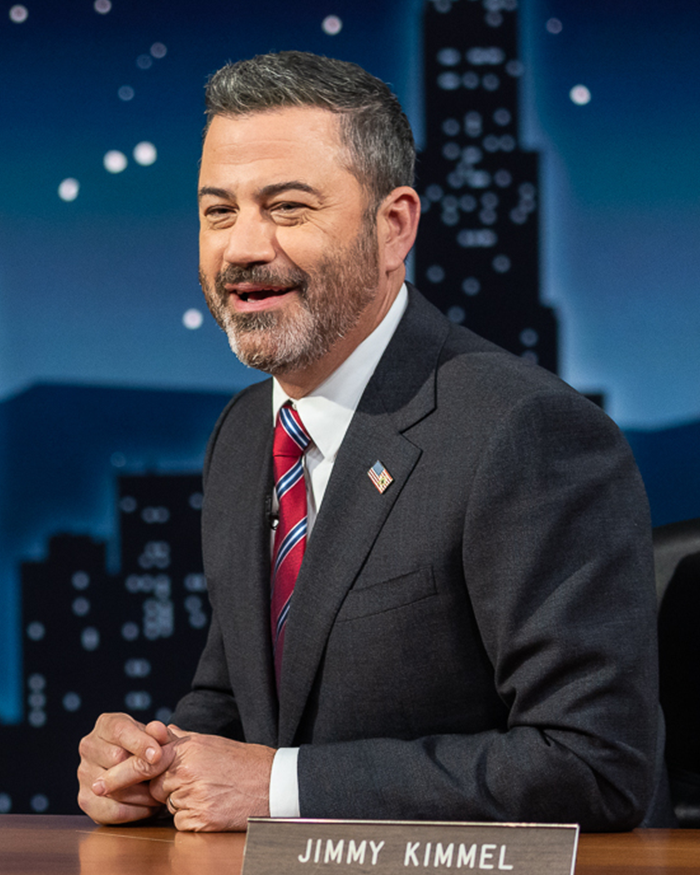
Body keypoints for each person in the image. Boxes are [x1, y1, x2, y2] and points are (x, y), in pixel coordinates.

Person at [78, 51, 670, 832]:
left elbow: (595, 765)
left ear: (394, 227)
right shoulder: (245, 432)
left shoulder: (528, 432)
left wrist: (278, 790)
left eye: (286, 207)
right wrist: (152, 765)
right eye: (218, 211)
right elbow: (238, 706)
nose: (243, 247)